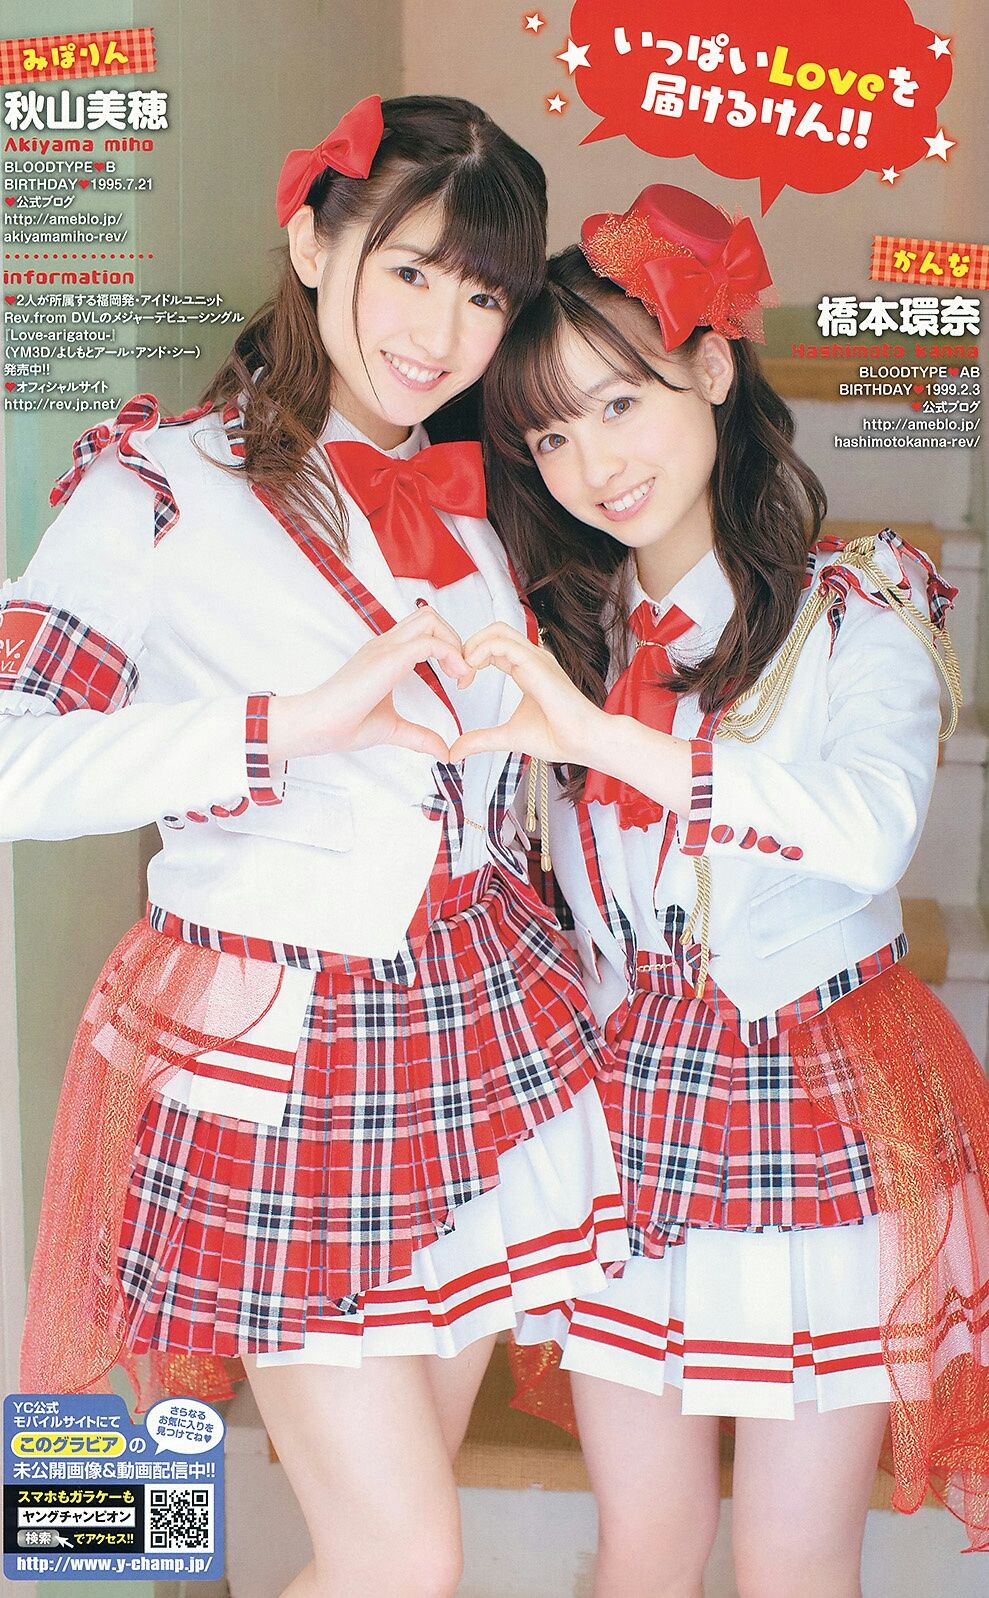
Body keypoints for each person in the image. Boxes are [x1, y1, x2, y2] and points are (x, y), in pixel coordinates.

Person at [5, 95, 629, 1598]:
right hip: (284, 1060)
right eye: (409, 270)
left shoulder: (482, 513)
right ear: (310, 242)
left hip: (481, 1041)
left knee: (397, 1543)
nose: (442, 332)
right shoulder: (158, 488)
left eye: (483, 296)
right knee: (401, 1559)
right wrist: (286, 726)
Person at [457, 183, 989, 1596]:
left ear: (708, 366)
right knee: (644, 1545)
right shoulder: (560, 633)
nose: (590, 464)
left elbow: (869, 832)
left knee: (792, 1557)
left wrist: (608, 740)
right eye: (549, 436)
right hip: (617, 1117)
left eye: (616, 404)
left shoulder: (858, 608)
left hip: (813, 1107)